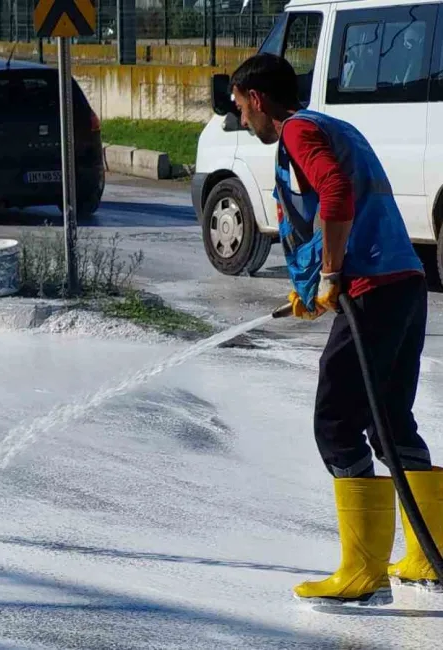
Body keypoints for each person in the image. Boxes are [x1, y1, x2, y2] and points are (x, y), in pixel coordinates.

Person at [229, 53, 442, 604]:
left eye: (238, 105)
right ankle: (427, 554)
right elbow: (330, 206)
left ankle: (362, 572)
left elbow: (337, 194)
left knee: (335, 421)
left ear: (256, 99)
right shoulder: (331, 123)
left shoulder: (298, 132)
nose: (238, 117)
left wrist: (330, 273)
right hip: (404, 282)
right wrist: (313, 285)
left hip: (373, 287)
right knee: (389, 418)